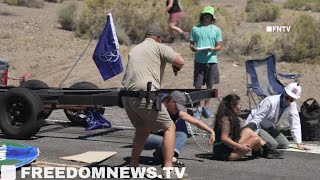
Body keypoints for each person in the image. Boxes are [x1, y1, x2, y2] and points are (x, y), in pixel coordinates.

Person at [121, 24, 186, 178]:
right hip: (145, 96)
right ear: (159, 39)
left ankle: (133, 165)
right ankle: (168, 168)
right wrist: (176, 66)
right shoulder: (159, 47)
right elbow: (180, 61)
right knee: (169, 127)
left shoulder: (135, 48)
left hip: (127, 97)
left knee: (142, 130)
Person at [144, 91, 215, 166]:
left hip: (163, 136)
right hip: (146, 138)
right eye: (177, 107)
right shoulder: (157, 107)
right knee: (167, 141)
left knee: (181, 134)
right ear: (170, 101)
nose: (178, 110)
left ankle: (171, 156)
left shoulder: (177, 112)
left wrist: (211, 131)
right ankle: (168, 158)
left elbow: (196, 122)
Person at [213, 94, 283, 161]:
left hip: (228, 147)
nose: (240, 109)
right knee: (256, 139)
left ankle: (267, 150)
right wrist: (240, 147)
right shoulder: (226, 120)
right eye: (239, 106)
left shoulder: (229, 117)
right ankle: (263, 151)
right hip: (225, 153)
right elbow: (224, 138)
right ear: (232, 107)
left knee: (248, 130)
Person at [246, 83, 310, 150]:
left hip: (268, 126)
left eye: (291, 100)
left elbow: (295, 123)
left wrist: (299, 144)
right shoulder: (270, 101)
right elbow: (257, 118)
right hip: (258, 125)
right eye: (287, 97)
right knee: (273, 144)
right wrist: (249, 130)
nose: (288, 101)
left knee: (284, 144)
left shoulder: (292, 105)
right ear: (284, 92)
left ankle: (265, 142)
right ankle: (256, 144)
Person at [189, 6, 222, 120]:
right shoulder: (195, 29)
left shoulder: (216, 30)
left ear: (212, 17)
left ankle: (205, 108)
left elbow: (219, 45)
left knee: (209, 85)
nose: (207, 17)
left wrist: (214, 49)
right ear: (202, 16)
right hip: (199, 61)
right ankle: (198, 108)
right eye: (205, 14)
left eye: (209, 15)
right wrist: (193, 48)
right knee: (198, 86)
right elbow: (192, 43)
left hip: (212, 61)